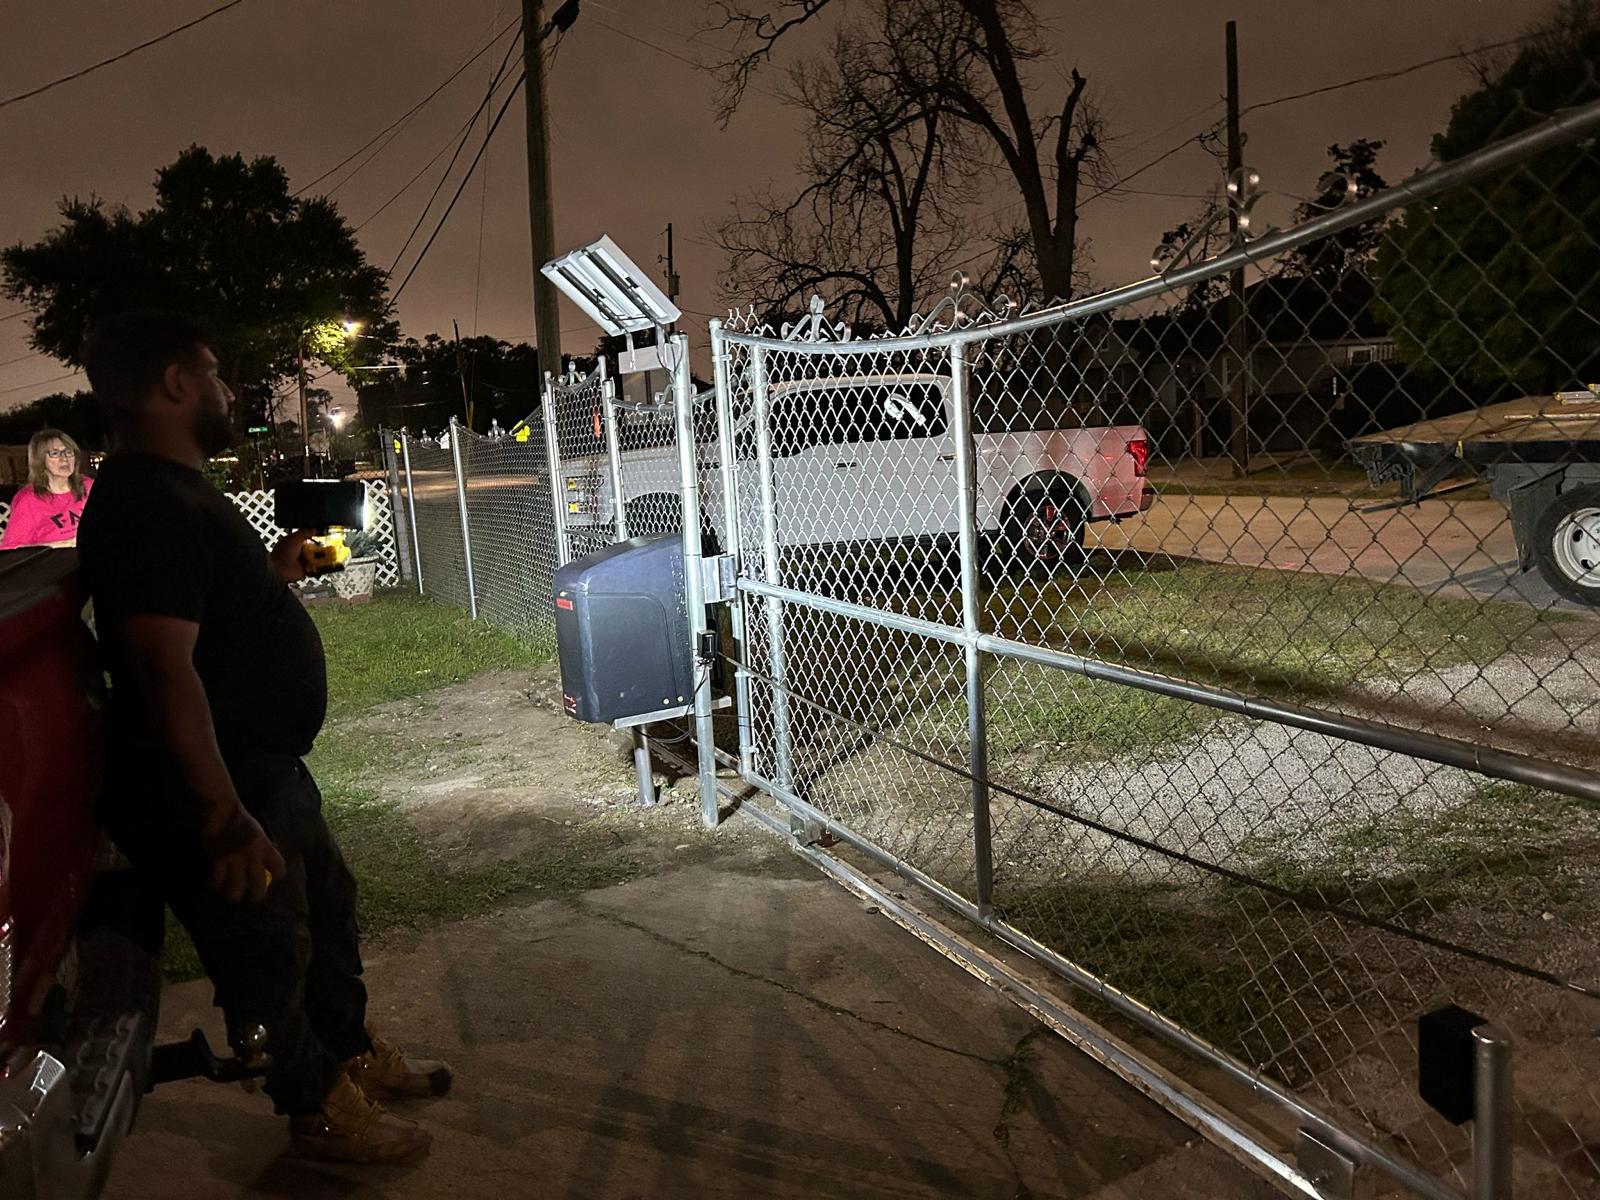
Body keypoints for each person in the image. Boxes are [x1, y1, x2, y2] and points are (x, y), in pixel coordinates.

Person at [76, 311, 449, 1165]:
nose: (225, 389)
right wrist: (220, 811)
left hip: (262, 767)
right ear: (175, 383)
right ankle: (315, 1108)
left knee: (326, 908)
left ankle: (347, 1051)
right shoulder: (146, 502)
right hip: (213, 780)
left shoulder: (177, 490)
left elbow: (204, 603)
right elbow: (161, 667)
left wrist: (277, 570)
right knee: (267, 947)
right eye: (212, 372)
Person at [0, 428, 93, 549]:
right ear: (40, 461)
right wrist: (60, 545)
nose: (64, 458)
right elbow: (10, 548)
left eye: (69, 452)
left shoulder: (88, 486)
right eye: (55, 453)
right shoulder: (28, 500)